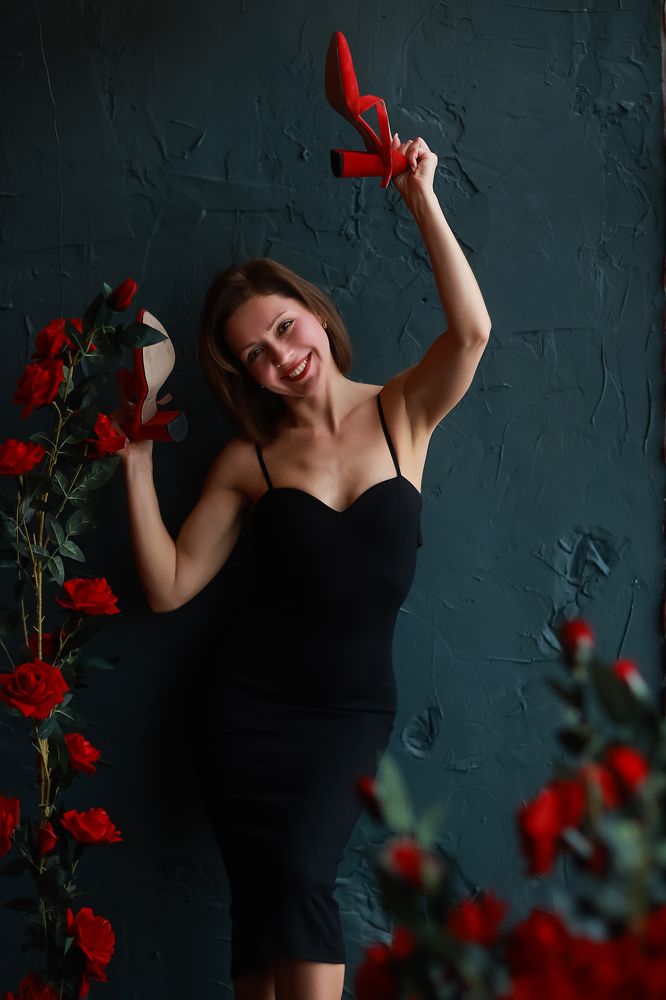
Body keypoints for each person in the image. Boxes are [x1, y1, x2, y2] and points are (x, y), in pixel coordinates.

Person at [112, 133, 491, 1000]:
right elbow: (168, 587)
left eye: (284, 326)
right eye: (255, 354)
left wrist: (421, 198)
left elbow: (472, 333)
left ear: (314, 312)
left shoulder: (402, 413)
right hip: (243, 710)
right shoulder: (250, 461)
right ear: (245, 375)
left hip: (348, 715)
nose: (281, 356)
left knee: (298, 877)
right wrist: (135, 460)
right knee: (263, 903)